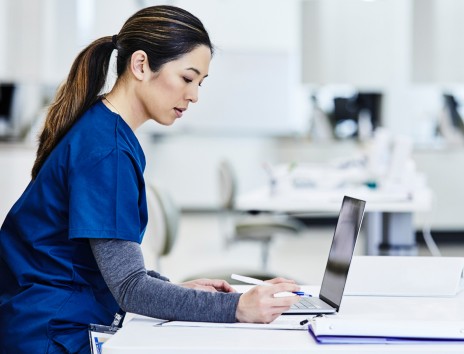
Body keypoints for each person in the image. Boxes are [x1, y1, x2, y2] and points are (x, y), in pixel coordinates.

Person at [0, 5, 300, 354]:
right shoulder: (106, 151)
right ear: (141, 65)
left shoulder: (105, 130)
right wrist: (238, 308)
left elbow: (111, 271)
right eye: (187, 78)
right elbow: (129, 287)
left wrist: (179, 293)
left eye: (199, 83)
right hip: (51, 335)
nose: (194, 95)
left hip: (56, 320)